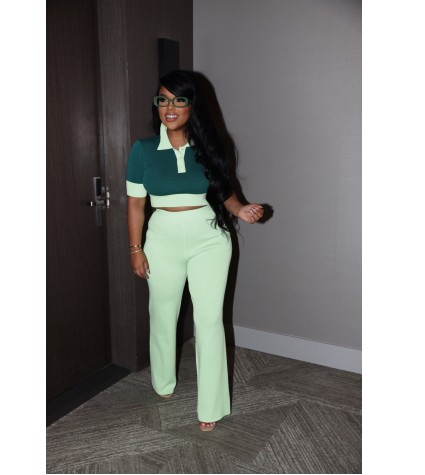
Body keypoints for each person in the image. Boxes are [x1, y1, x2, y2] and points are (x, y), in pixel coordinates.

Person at [126, 70, 263, 432]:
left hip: (209, 238)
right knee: (162, 313)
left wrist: (240, 209)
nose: (169, 107)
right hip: (162, 239)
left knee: (209, 320)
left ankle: (211, 405)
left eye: (178, 100)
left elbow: (223, 191)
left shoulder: (209, 145)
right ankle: (163, 381)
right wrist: (136, 248)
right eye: (163, 100)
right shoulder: (142, 149)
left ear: (191, 106)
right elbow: (136, 204)